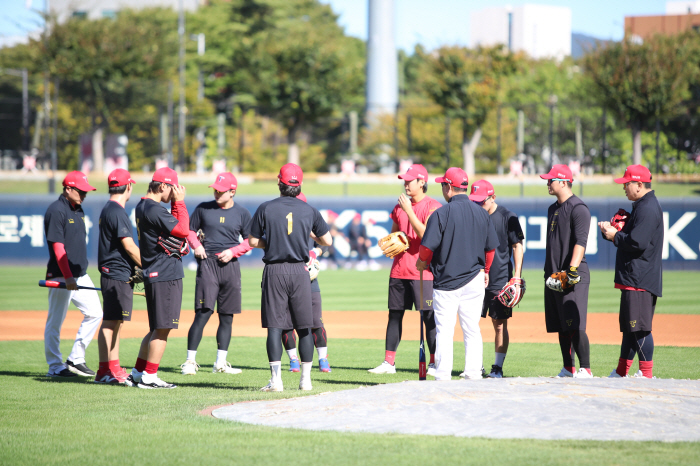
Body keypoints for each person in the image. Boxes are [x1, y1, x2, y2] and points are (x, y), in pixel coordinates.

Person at [248, 163, 332, 392]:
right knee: (305, 326)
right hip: (300, 271)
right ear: (299, 184)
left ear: (280, 183)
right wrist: (305, 236)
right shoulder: (310, 210)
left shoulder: (265, 208)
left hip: (275, 271)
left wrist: (273, 242)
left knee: (275, 327)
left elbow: (253, 241)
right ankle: (306, 381)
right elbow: (328, 241)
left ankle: (276, 381)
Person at [416, 167, 498, 381]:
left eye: (443, 184)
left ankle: (443, 375)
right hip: (475, 279)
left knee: (445, 330)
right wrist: (486, 271)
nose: (442, 188)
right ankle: (473, 373)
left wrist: (421, 262)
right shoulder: (481, 213)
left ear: (449, 187)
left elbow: (426, 248)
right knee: (471, 328)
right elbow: (491, 249)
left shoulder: (441, 213)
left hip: (447, 282)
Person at [368, 164, 442, 375]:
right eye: (404, 180)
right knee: (394, 315)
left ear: (422, 183)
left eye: (410, 180)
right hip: (399, 270)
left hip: (424, 273)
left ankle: (434, 363)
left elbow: (428, 236)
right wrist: (394, 241)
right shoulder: (399, 206)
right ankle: (388, 363)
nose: (406, 183)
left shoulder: (433, 207)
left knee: (428, 317)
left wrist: (409, 211)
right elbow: (395, 235)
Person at [181, 172, 252, 376]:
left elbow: (250, 241)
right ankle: (190, 361)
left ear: (232, 192)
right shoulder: (203, 208)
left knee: (227, 317)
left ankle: (220, 363)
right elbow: (190, 230)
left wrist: (233, 251)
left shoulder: (242, 213)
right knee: (203, 313)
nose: (216, 193)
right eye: (215, 189)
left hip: (231, 266)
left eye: (221, 190)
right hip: (208, 264)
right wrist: (195, 245)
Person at [599, 165, 663, 379]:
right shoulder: (641, 205)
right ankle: (620, 372)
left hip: (640, 277)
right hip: (635, 277)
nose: (624, 187)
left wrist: (614, 236)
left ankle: (646, 375)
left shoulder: (647, 208)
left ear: (639, 184)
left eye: (627, 183)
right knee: (630, 328)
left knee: (640, 328)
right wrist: (615, 231)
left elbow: (637, 242)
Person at [128, 167, 190, 389]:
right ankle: (149, 377)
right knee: (163, 329)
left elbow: (173, 230)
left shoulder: (143, 205)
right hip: (165, 274)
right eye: (172, 189)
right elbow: (183, 230)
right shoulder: (153, 208)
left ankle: (137, 372)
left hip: (155, 271)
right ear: (163, 186)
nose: (174, 193)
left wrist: (174, 203)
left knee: (156, 328)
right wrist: (180, 203)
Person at [43, 171, 103, 378]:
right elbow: (59, 249)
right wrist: (67, 276)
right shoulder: (56, 210)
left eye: (86, 191)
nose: (84, 194)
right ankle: (54, 366)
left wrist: (75, 275)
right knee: (55, 321)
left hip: (80, 274)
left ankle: (76, 358)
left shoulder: (79, 209)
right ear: (68, 189)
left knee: (96, 313)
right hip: (61, 275)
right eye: (81, 191)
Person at [541, 164, 593, 378]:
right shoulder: (553, 208)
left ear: (563, 182)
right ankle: (568, 367)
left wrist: (571, 271)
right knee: (562, 325)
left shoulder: (578, 208)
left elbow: (581, 242)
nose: (547, 183)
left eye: (551, 180)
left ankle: (586, 368)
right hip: (554, 275)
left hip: (573, 275)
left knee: (575, 323)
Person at [469, 179, 524, 378]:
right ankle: (475, 366)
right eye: (474, 201)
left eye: (481, 201)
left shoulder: (508, 217)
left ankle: (497, 368)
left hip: (500, 279)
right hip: (473, 277)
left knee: (499, 324)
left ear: (493, 197)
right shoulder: (474, 215)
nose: (478, 204)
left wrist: (516, 277)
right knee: (470, 323)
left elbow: (517, 246)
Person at [95, 169, 141, 384]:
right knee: (110, 322)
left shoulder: (109, 209)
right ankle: (104, 370)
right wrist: (148, 266)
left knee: (117, 321)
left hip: (116, 271)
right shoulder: (117, 211)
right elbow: (129, 246)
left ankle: (113, 367)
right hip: (115, 272)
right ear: (129, 186)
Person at [280, 192, 332, 373]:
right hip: (286, 276)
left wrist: (316, 252)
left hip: (310, 279)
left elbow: (325, 243)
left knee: (316, 321)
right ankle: (294, 359)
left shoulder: (309, 219)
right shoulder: (280, 221)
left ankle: (323, 359)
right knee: (286, 323)